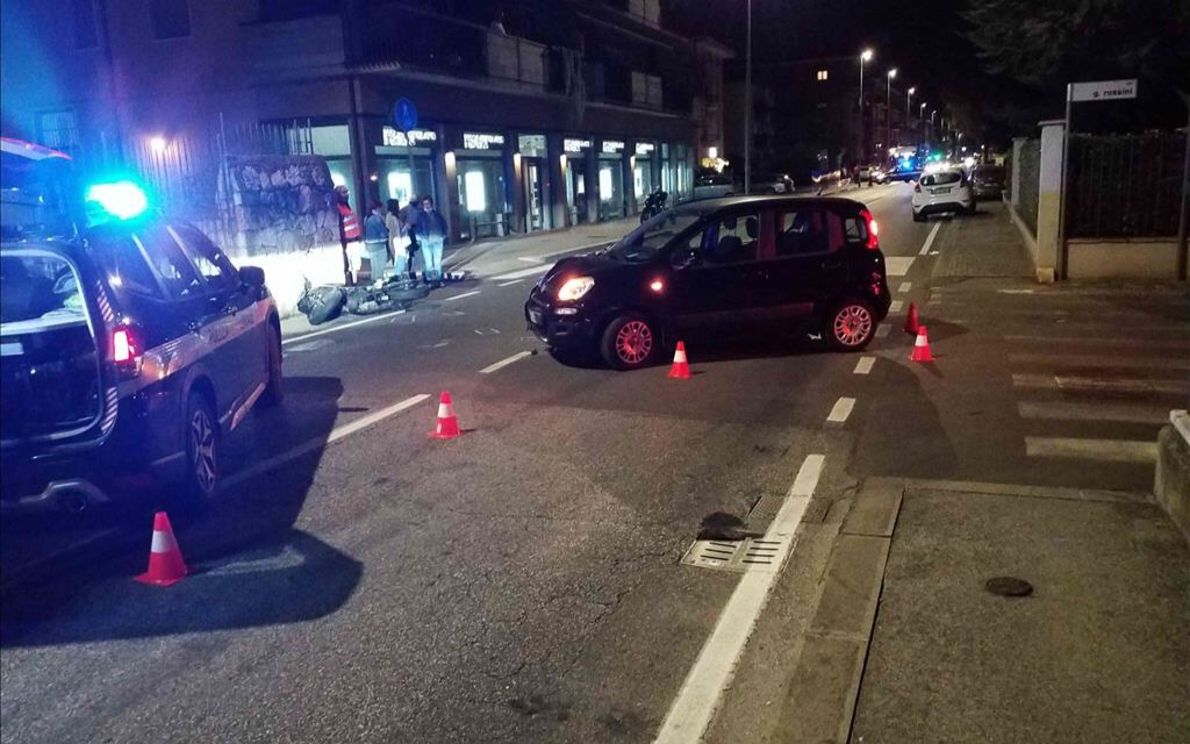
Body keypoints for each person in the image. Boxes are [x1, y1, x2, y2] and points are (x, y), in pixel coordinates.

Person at [414, 196, 448, 285]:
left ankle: (438, 279)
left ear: (431, 204)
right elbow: (417, 228)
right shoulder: (421, 216)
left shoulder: (437, 215)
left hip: (437, 240)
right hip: (426, 241)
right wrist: (419, 238)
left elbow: (444, 225)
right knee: (428, 262)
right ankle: (429, 280)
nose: (426, 205)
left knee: (437, 262)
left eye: (428, 203)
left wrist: (443, 235)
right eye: (425, 204)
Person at [334, 185, 361, 285]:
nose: (346, 195)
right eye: (343, 193)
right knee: (348, 264)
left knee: (355, 265)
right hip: (348, 241)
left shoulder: (346, 206)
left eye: (347, 193)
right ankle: (349, 284)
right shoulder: (338, 208)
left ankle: (355, 283)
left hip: (354, 240)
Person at [363, 202, 389, 284]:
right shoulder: (377, 219)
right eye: (381, 208)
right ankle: (379, 283)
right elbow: (383, 233)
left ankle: (374, 282)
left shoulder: (367, 218)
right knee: (380, 266)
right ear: (377, 209)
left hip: (369, 245)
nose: (382, 210)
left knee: (374, 266)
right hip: (379, 245)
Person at [385, 198, 409, 279]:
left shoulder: (388, 216)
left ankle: (398, 274)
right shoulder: (393, 217)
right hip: (397, 240)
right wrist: (405, 227)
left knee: (397, 258)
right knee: (401, 257)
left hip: (393, 239)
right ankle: (398, 275)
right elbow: (397, 230)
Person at [399, 197, 421, 281]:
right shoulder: (405, 210)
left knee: (417, 254)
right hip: (410, 233)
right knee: (411, 254)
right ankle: (412, 274)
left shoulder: (419, 209)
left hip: (418, 232)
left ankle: (416, 273)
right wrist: (406, 225)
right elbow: (401, 221)